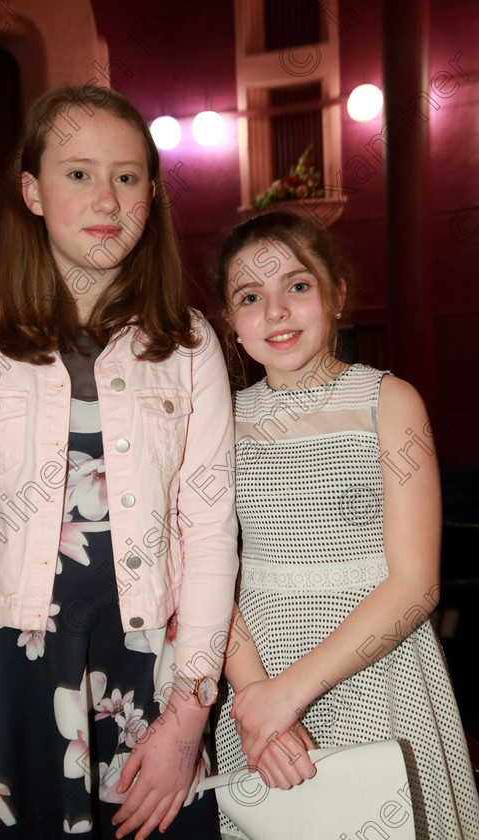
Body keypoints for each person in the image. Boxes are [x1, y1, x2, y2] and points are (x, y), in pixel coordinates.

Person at [0, 85, 238, 840]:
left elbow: (211, 529)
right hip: (1, 668)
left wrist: (189, 716)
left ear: (152, 195)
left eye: (127, 177)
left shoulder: (190, 344)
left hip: (141, 669)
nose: (107, 198)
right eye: (78, 173)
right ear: (31, 190)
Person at [213, 211, 479, 840]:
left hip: (376, 668)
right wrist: (258, 699)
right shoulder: (216, 420)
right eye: (251, 297)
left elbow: (416, 584)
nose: (276, 311)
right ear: (230, 321)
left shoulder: (389, 400)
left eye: (298, 286)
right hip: (256, 678)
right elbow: (206, 572)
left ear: (336, 294)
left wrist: (289, 694)